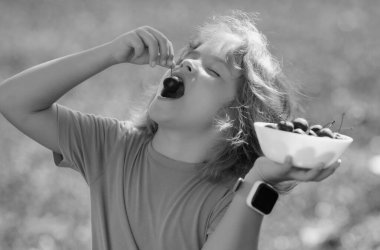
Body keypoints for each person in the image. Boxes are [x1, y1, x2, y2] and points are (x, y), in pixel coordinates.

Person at [0, 10, 341, 250]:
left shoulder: (229, 198)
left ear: (237, 120)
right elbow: (13, 99)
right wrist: (107, 54)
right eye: (189, 55)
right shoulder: (112, 148)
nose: (188, 62)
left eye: (214, 70)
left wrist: (257, 184)